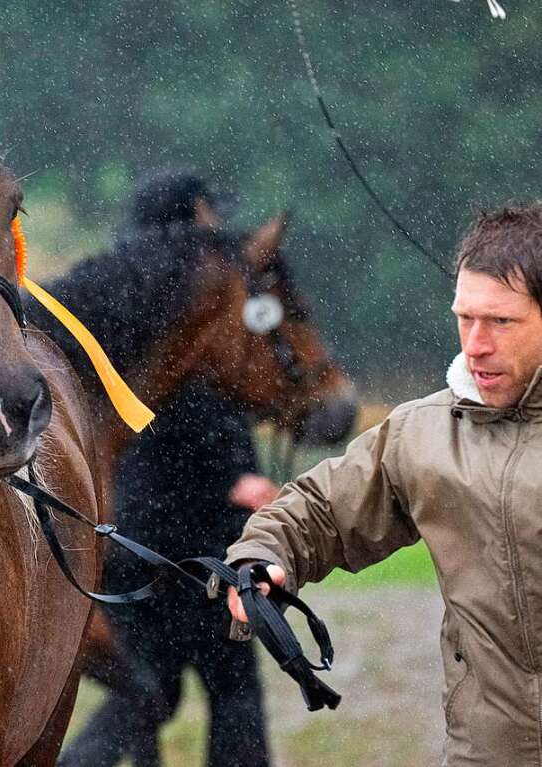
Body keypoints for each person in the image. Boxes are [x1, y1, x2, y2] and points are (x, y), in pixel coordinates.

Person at [226, 204, 542, 766]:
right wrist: (262, 556)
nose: (475, 344)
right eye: (465, 318)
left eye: (501, 322)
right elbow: (319, 510)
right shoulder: (424, 434)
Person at [60, 169, 278, 767]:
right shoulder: (175, 329)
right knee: (219, 694)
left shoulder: (143, 321)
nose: (218, 235)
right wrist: (233, 482)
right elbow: (177, 435)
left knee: (149, 695)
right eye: (207, 218)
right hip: (189, 546)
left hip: (145, 542)